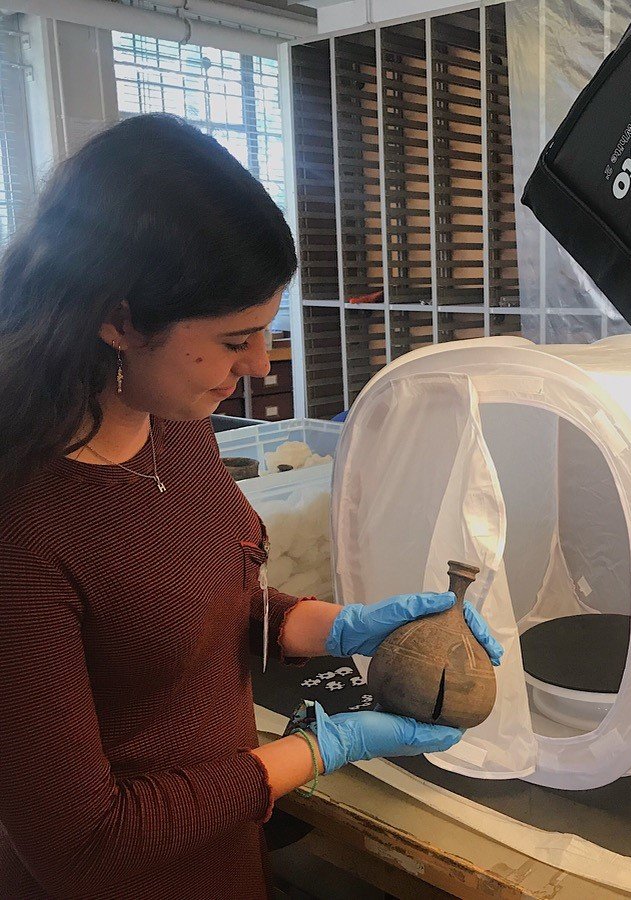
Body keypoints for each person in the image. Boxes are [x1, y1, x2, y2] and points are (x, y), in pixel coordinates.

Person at [0, 114, 502, 899]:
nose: (263, 365)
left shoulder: (175, 424)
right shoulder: (23, 532)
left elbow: (190, 615)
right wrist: (319, 749)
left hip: (224, 858)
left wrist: (335, 625)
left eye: (269, 331)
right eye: (237, 340)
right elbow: (84, 844)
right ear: (120, 319)